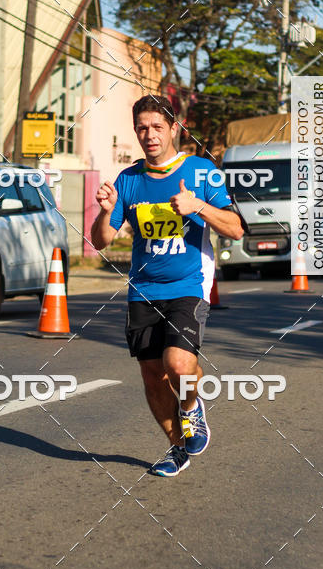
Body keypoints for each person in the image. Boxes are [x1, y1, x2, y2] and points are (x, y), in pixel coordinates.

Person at [91, 95, 244, 477]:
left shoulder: (201, 172)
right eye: (142, 128)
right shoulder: (128, 179)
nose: (150, 135)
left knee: (177, 363)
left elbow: (236, 228)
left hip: (189, 283)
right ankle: (177, 448)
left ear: (174, 128)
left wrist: (198, 206)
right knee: (152, 375)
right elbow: (100, 241)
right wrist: (107, 212)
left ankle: (191, 408)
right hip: (143, 289)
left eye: (157, 127)